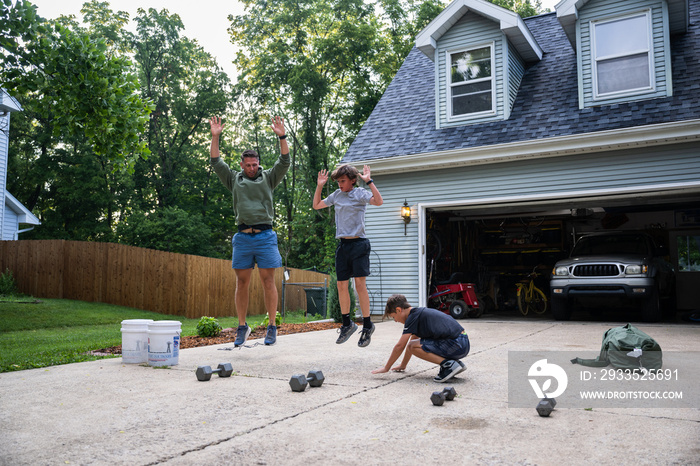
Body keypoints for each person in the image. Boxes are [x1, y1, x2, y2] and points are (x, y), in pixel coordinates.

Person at [209, 116, 290, 347]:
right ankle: (242, 327)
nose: (253, 168)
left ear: (258, 164)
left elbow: (285, 161)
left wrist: (282, 136)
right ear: (242, 165)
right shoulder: (234, 179)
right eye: (249, 165)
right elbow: (216, 161)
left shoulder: (268, 177)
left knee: (267, 281)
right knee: (241, 283)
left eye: (255, 165)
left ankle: (272, 326)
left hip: (265, 236)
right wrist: (216, 136)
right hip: (243, 237)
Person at [313, 164, 383, 347]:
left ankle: (367, 325)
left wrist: (370, 182)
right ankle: (347, 324)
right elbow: (317, 205)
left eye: (342, 181)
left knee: (360, 285)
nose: (339, 185)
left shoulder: (360, 193)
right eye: (337, 182)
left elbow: (379, 201)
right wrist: (320, 185)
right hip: (343, 245)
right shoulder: (336, 195)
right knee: (341, 285)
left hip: (359, 244)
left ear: (353, 180)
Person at [372, 294, 469, 383]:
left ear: (398, 310)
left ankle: (449, 365)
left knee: (412, 346)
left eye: (394, 317)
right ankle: (455, 363)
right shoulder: (417, 315)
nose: (396, 321)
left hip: (456, 343)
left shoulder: (412, 317)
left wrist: (386, 368)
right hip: (461, 343)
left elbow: (400, 346)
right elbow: (413, 342)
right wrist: (403, 365)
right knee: (413, 344)